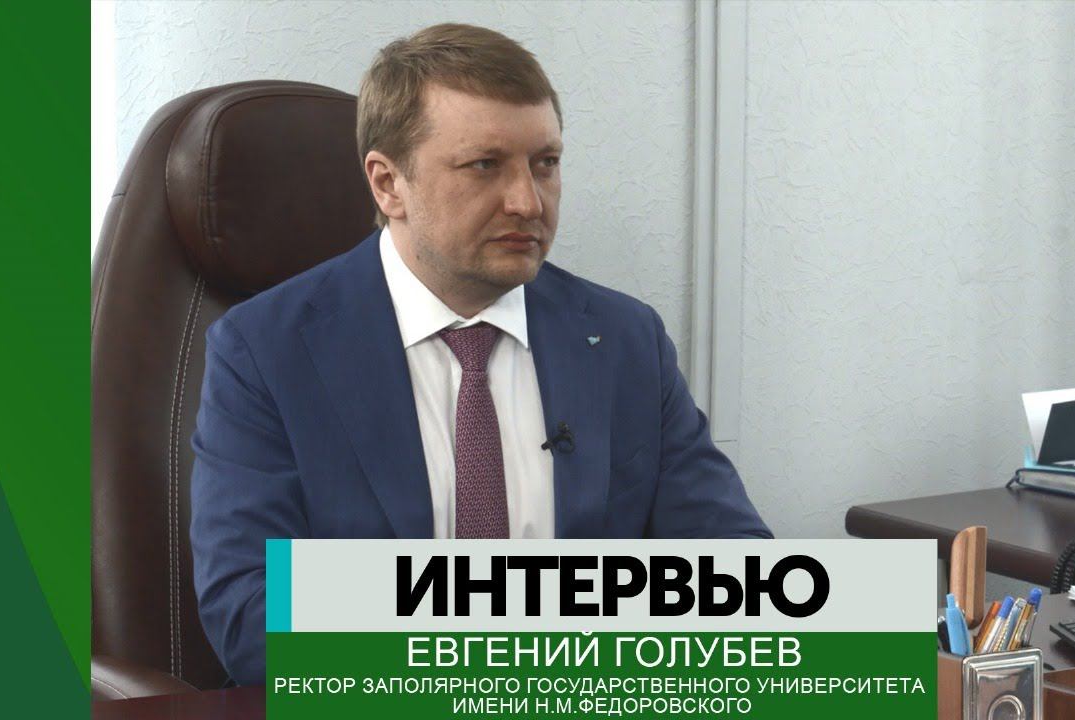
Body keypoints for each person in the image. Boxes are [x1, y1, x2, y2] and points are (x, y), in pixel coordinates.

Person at [189, 23, 771, 687]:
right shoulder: (265, 351)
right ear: (388, 184)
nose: (528, 201)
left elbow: (739, 574)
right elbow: (253, 619)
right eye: (485, 165)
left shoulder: (624, 340)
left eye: (545, 163)